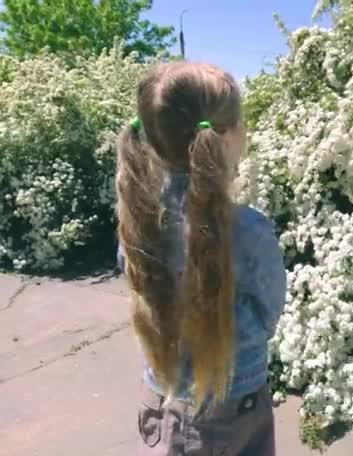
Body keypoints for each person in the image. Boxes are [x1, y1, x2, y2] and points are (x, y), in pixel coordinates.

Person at [115, 61, 286, 456]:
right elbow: (268, 314)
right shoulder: (249, 230)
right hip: (237, 403)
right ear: (224, 138)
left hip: (164, 400)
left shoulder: (138, 220)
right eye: (242, 122)